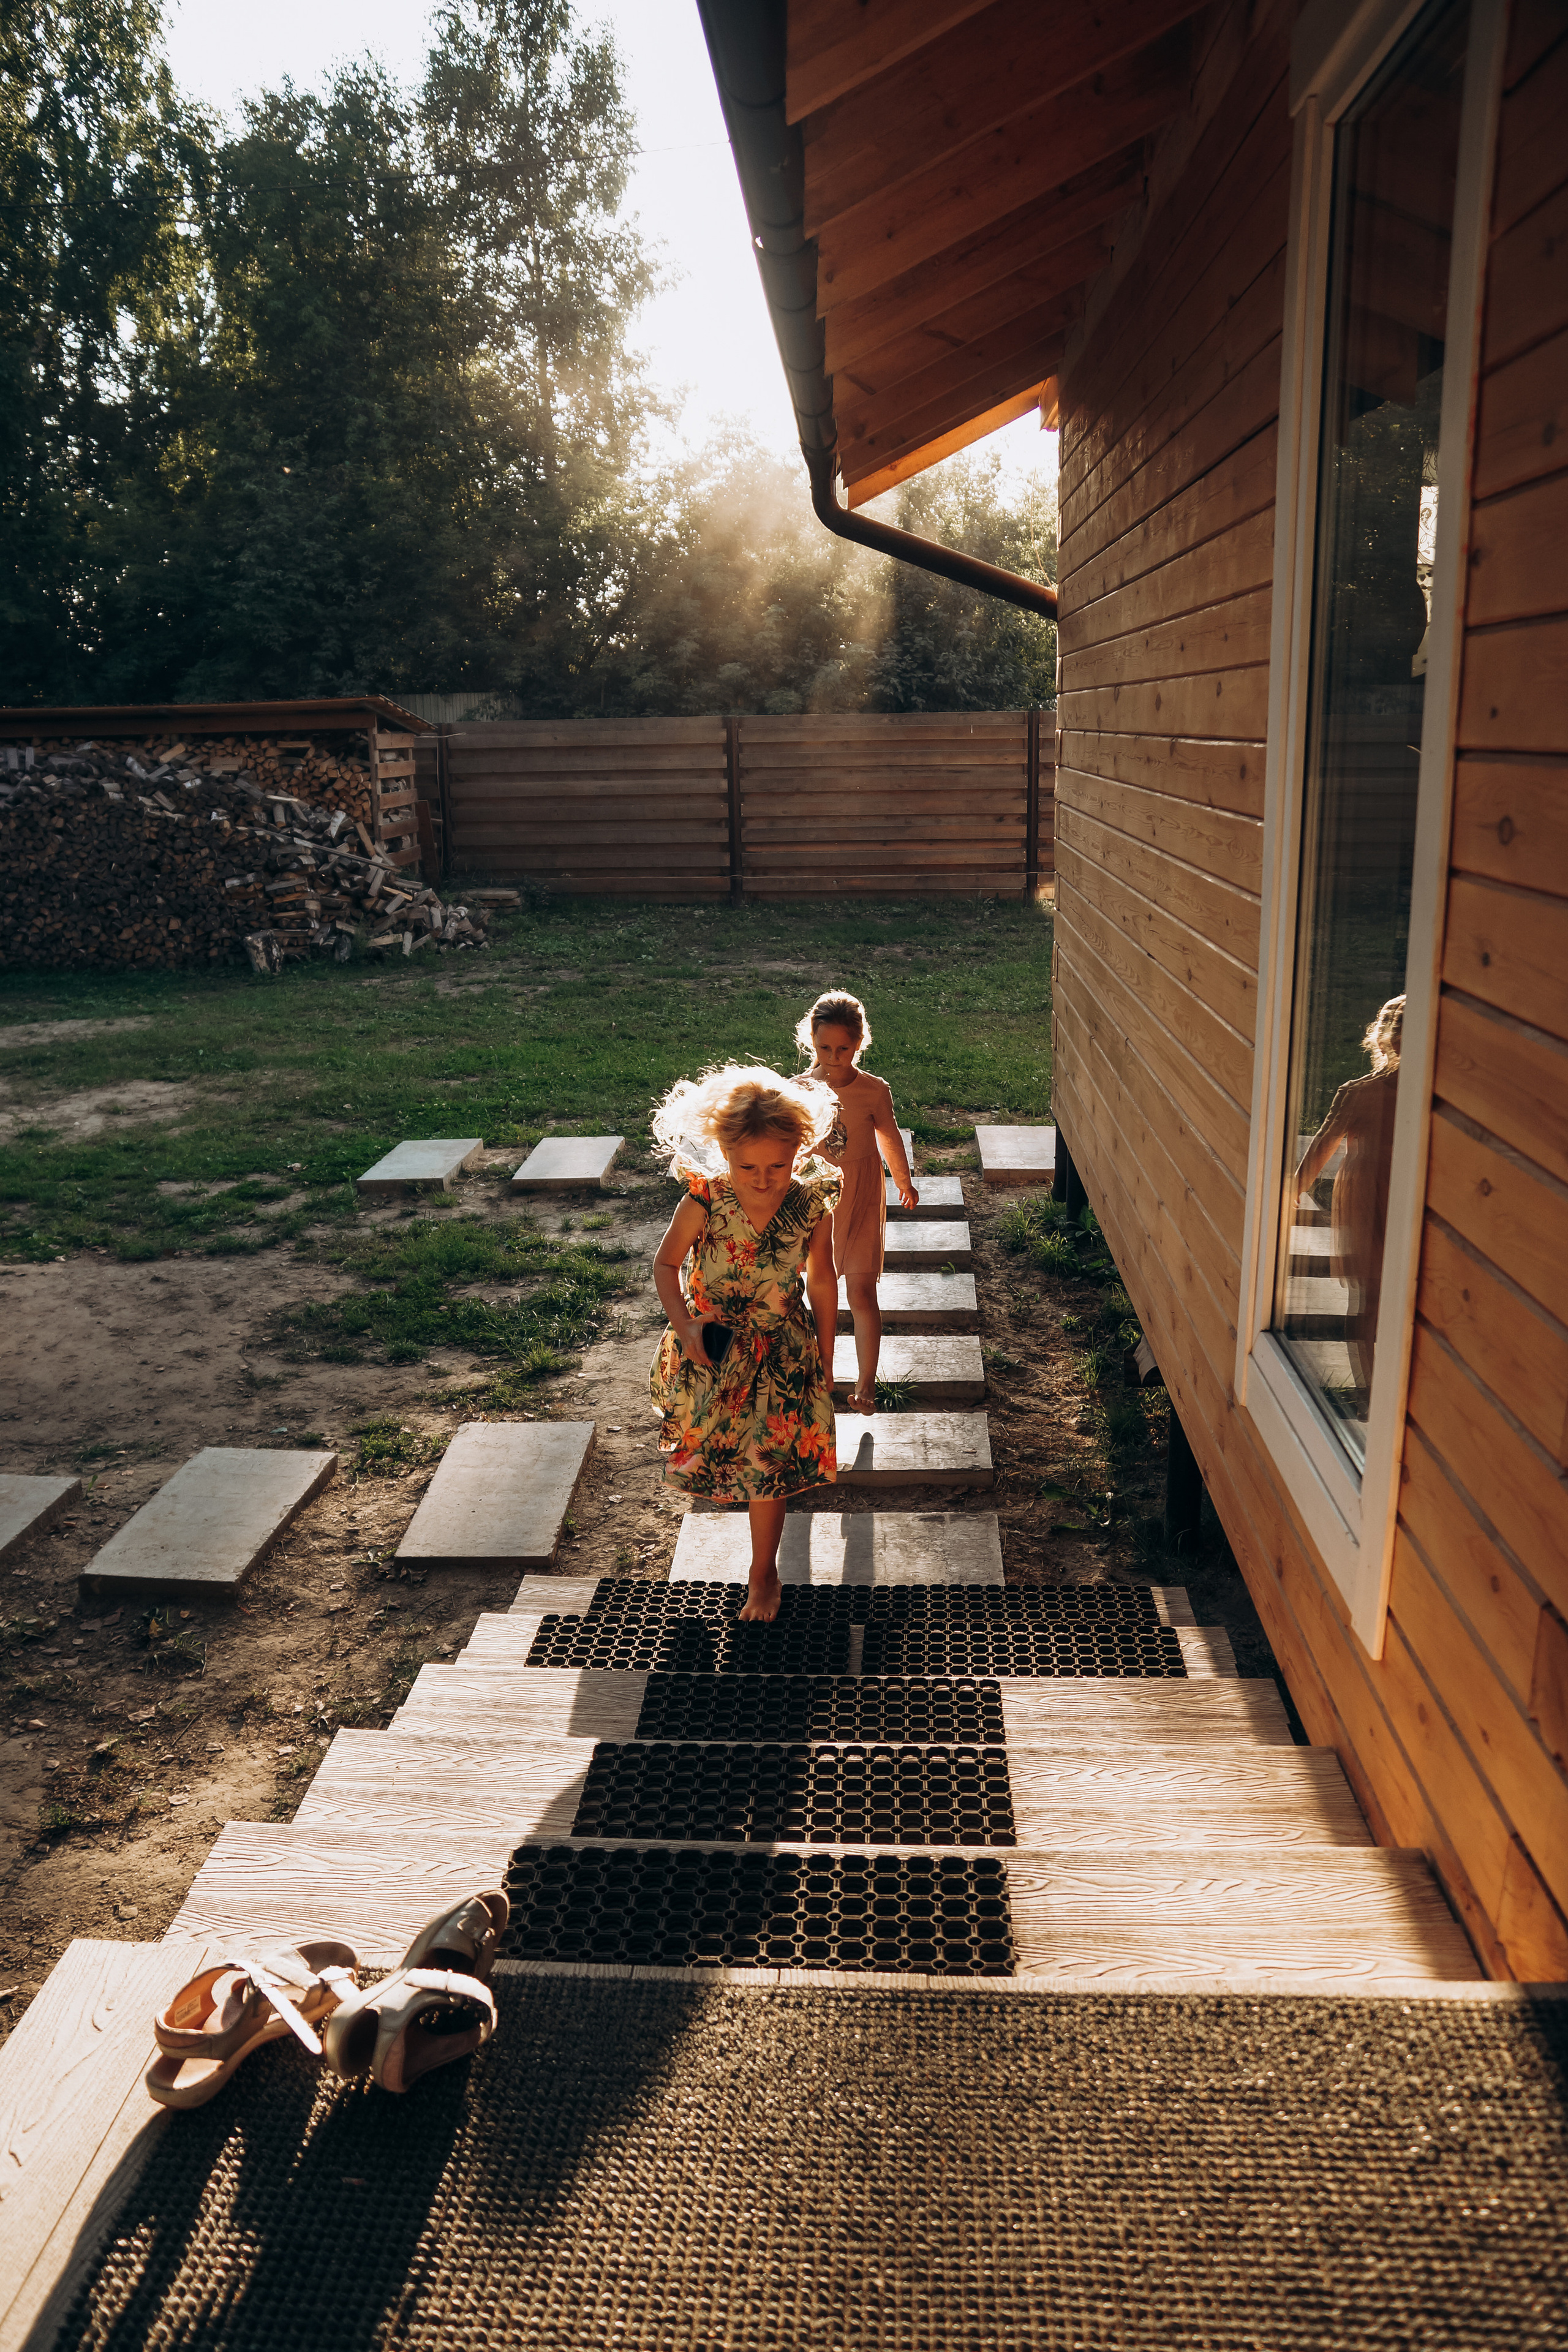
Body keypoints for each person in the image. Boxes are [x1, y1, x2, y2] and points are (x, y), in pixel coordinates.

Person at [649, 1063, 841, 1623]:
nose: (762, 1179)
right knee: (716, 1459)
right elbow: (665, 1264)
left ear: (800, 1152)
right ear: (724, 1154)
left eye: (777, 1165)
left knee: (766, 1469)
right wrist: (685, 1325)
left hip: (782, 1354)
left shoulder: (810, 1206)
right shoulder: (706, 1199)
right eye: (747, 1166)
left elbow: (822, 1283)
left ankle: (763, 1573)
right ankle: (756, 1564)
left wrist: (827, 1358)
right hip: (713, 1350)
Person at [796, 990, 918, 1415]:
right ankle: (820, 1372)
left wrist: (903, 1180)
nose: (834, 1057)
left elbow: (889, 1137)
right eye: (825, 1048)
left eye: (843, 1049)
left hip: (862, 1195)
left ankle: (866, 1384)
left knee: (862, 1291)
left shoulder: (873, 1091)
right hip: (816, 1201)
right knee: (817, 1288)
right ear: (811, 1041)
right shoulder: (797, 1090)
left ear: (859, 1043)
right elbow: (788, 1147)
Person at [1294, 993, 1404, 1395]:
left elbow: (1322, 1147)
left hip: (1382, 1197)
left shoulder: (1363, 1091)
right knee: (1380, 1296)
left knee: (1373, 1297)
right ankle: (1375, 1389)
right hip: (1382, 1199)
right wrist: (1293, 1190)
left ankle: (1377, 1389)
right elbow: (1322, 1146)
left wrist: (1292, 1190)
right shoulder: (1367, 1092)